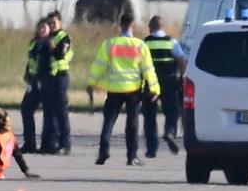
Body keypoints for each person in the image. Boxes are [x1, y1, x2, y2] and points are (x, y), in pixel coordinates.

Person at [90, 14, 160, 167]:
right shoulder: (140, 46)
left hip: (114, 89)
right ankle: (131, 156)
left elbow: (99, 65)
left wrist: (92, 82)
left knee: (109, 121)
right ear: (132, 25)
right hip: (133, 90)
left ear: (120, 25)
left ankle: (103, 151)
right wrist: (154, 89)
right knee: (132, 124)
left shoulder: (109, 44)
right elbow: (148, 69)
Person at [141, 15, 186, 158]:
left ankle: (151, 149)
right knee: (172, 111)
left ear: (151, 27)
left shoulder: (144, 43)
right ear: (162, 27)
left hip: (150, 83)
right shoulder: (171, 42)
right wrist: (182, 77)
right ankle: (170, 132)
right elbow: (181, 60)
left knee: (149, 115)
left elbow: (140, 63)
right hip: (169, 82)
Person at [40, 11, 73, 154]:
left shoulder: (64, 37)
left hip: (60, 78)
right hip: (48, 79)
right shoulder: (45, 38)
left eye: (54, 22)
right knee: (48, 113)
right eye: (50, 23)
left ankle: (64, 144)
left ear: (60, 23)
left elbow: (59, 55)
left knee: (61, 113)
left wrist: (49, 42)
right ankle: (48, 144)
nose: (52, 25)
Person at [19, 19, 50, 154]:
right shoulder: (34, 43)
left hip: (47, 81)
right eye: (40, 27)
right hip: (34, 81)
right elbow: (31, 61)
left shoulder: (51, 43)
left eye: (45, 27)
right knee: (26, 109)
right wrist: (27, 74)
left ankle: (47, 144)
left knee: (49, 113)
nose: (42, 30)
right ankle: (29, 143)